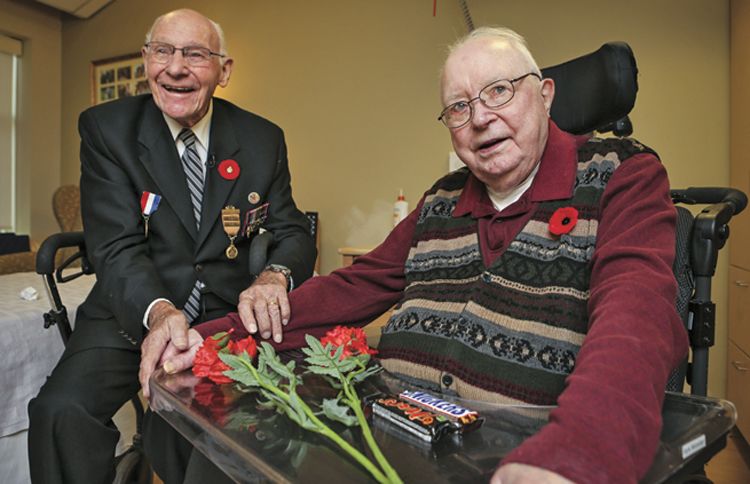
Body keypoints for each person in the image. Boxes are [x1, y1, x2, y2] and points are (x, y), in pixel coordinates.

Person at [152, 27, 687, 483]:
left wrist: (580, 450)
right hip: (393, 437)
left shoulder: (621, 173)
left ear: (545, 95)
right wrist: (208, 337)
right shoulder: (442, 199)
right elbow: (352, 287)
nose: (479, 118)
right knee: (217, 453)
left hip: (516, 454)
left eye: (499, 91)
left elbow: (635, 314)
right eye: (459, 107)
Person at [27, 9, 316, 484]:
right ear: (146, 60)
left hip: (222, 316)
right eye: (163, 51)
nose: (176, 68)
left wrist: (272, 276)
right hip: (132, 311)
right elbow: (116, 247)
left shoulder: (263, 139)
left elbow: (291, 230)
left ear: (223, 71)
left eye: (195, 54)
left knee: (219, 434)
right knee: (60, 414)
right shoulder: (106, 130)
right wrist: (159, 312)